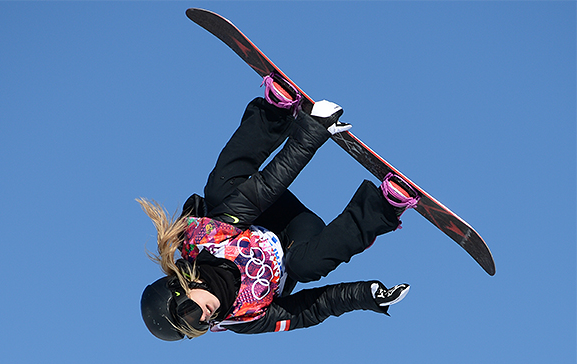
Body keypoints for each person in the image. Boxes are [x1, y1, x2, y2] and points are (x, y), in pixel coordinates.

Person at [138, 72, 420, 341]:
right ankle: (384, 206)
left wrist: (313, 129)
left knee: (218, 191)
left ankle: (274, 113)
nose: (203, 318)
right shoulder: (244, 318)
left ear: (180, 287)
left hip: (265, 209)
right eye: (196, 327)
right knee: (304, 266)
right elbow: (308, 311)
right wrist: (366, 296)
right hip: (297, 238)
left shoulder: (207, 242)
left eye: (189, 312)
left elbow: (263, 189)